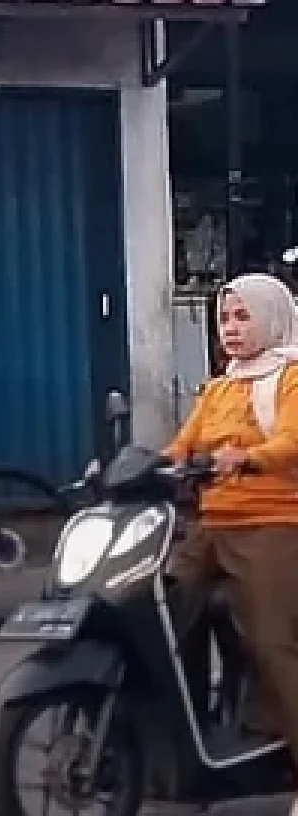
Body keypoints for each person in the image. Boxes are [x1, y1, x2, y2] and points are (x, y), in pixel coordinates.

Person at [163, 272, 298, 812]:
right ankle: (175, 753)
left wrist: (249, 456)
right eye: (224, 318)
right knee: (159, 613)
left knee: (271, 642)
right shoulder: (221, 384)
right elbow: (182, 445)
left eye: (242, 317)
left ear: (271, 319)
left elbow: (292, 439)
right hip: (212, 525)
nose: (230, 329)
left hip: (271, 523)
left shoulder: (289, 375)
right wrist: (138, 468)